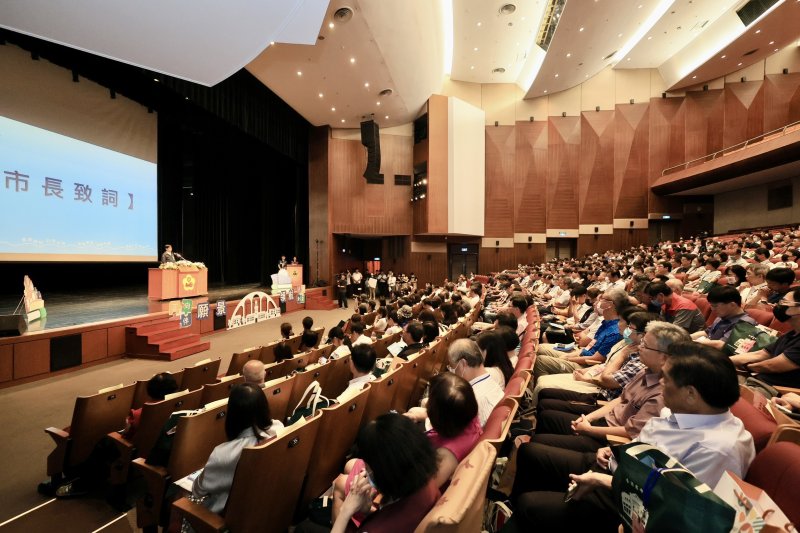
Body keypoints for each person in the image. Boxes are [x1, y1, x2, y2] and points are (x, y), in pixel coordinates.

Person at [507, 342, 755, 533]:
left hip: (630, 504)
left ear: (691, 393)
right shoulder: (683, 411)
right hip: (618, 468)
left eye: (666, 381)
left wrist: (603, 480)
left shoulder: (718, 449)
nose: (661, 386)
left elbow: (674, 507)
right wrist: (615, 453)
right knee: (531, 454)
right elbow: (644, 446)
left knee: (531, 506)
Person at [532, 321, 690, 452]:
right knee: (546, 409)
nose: (640, 348)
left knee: (533, 449)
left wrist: (588, 429)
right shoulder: (645, 370)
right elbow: (621, 399)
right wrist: (589, 418)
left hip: (610, 441)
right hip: (604, 417)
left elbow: (631, 432)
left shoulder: (665, 393)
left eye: (645, 345)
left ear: (664, 357)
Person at [332, 414, 439, 533]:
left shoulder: (373, 530)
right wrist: (367, 511)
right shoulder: (426, 480)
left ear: (383, 474)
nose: (364, 468)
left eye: (367, 465)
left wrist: (345, 511)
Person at [192, 383, 284, 514]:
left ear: (232, 414)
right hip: (268, 512)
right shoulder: (279, 429)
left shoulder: (222, 454)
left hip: (222, 520)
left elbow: (197, 490)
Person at [730, 286, 800, 388]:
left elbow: (771, 366)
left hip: (775, 390)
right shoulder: (790, 334)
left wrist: (747, 366)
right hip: (757, 380)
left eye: (784, 303)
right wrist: (725, 360)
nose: (778, 305)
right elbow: (760, 354)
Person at [691, 285, 757, 350]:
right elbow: (707, 332)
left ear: (732, 305)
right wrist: (687, 338)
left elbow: (722, 345)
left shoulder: (745, 323)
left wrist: (694, 342)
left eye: (715, 306)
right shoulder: (722, 316)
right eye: (711, 305)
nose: (712, 309)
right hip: (708, 350)